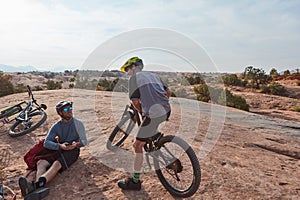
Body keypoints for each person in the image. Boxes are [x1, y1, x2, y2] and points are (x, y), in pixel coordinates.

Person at [117, 57, 171, 190]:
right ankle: (155, 140)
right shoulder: (153, 75)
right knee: (151, 128)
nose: (127, 73)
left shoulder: (134, 79)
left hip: (152, 115)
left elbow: (135, 102)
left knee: (137, 145)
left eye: (128, 69)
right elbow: (168, 92)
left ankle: (135, 182)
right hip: (166, 110)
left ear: (134, 67)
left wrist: (142, 111)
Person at [19, 100, 87, 199]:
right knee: (41, 162)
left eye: (70, 108)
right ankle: (37, 188)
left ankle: (36, 186)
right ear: (60, 113)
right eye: (66, 109)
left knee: (57, 164)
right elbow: (47, 142)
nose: (69, 111)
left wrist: (76, 144)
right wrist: (60, 146)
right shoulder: (56, 126)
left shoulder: (78, 124)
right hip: (60, 148)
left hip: (73, 151)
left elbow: (84, 141)